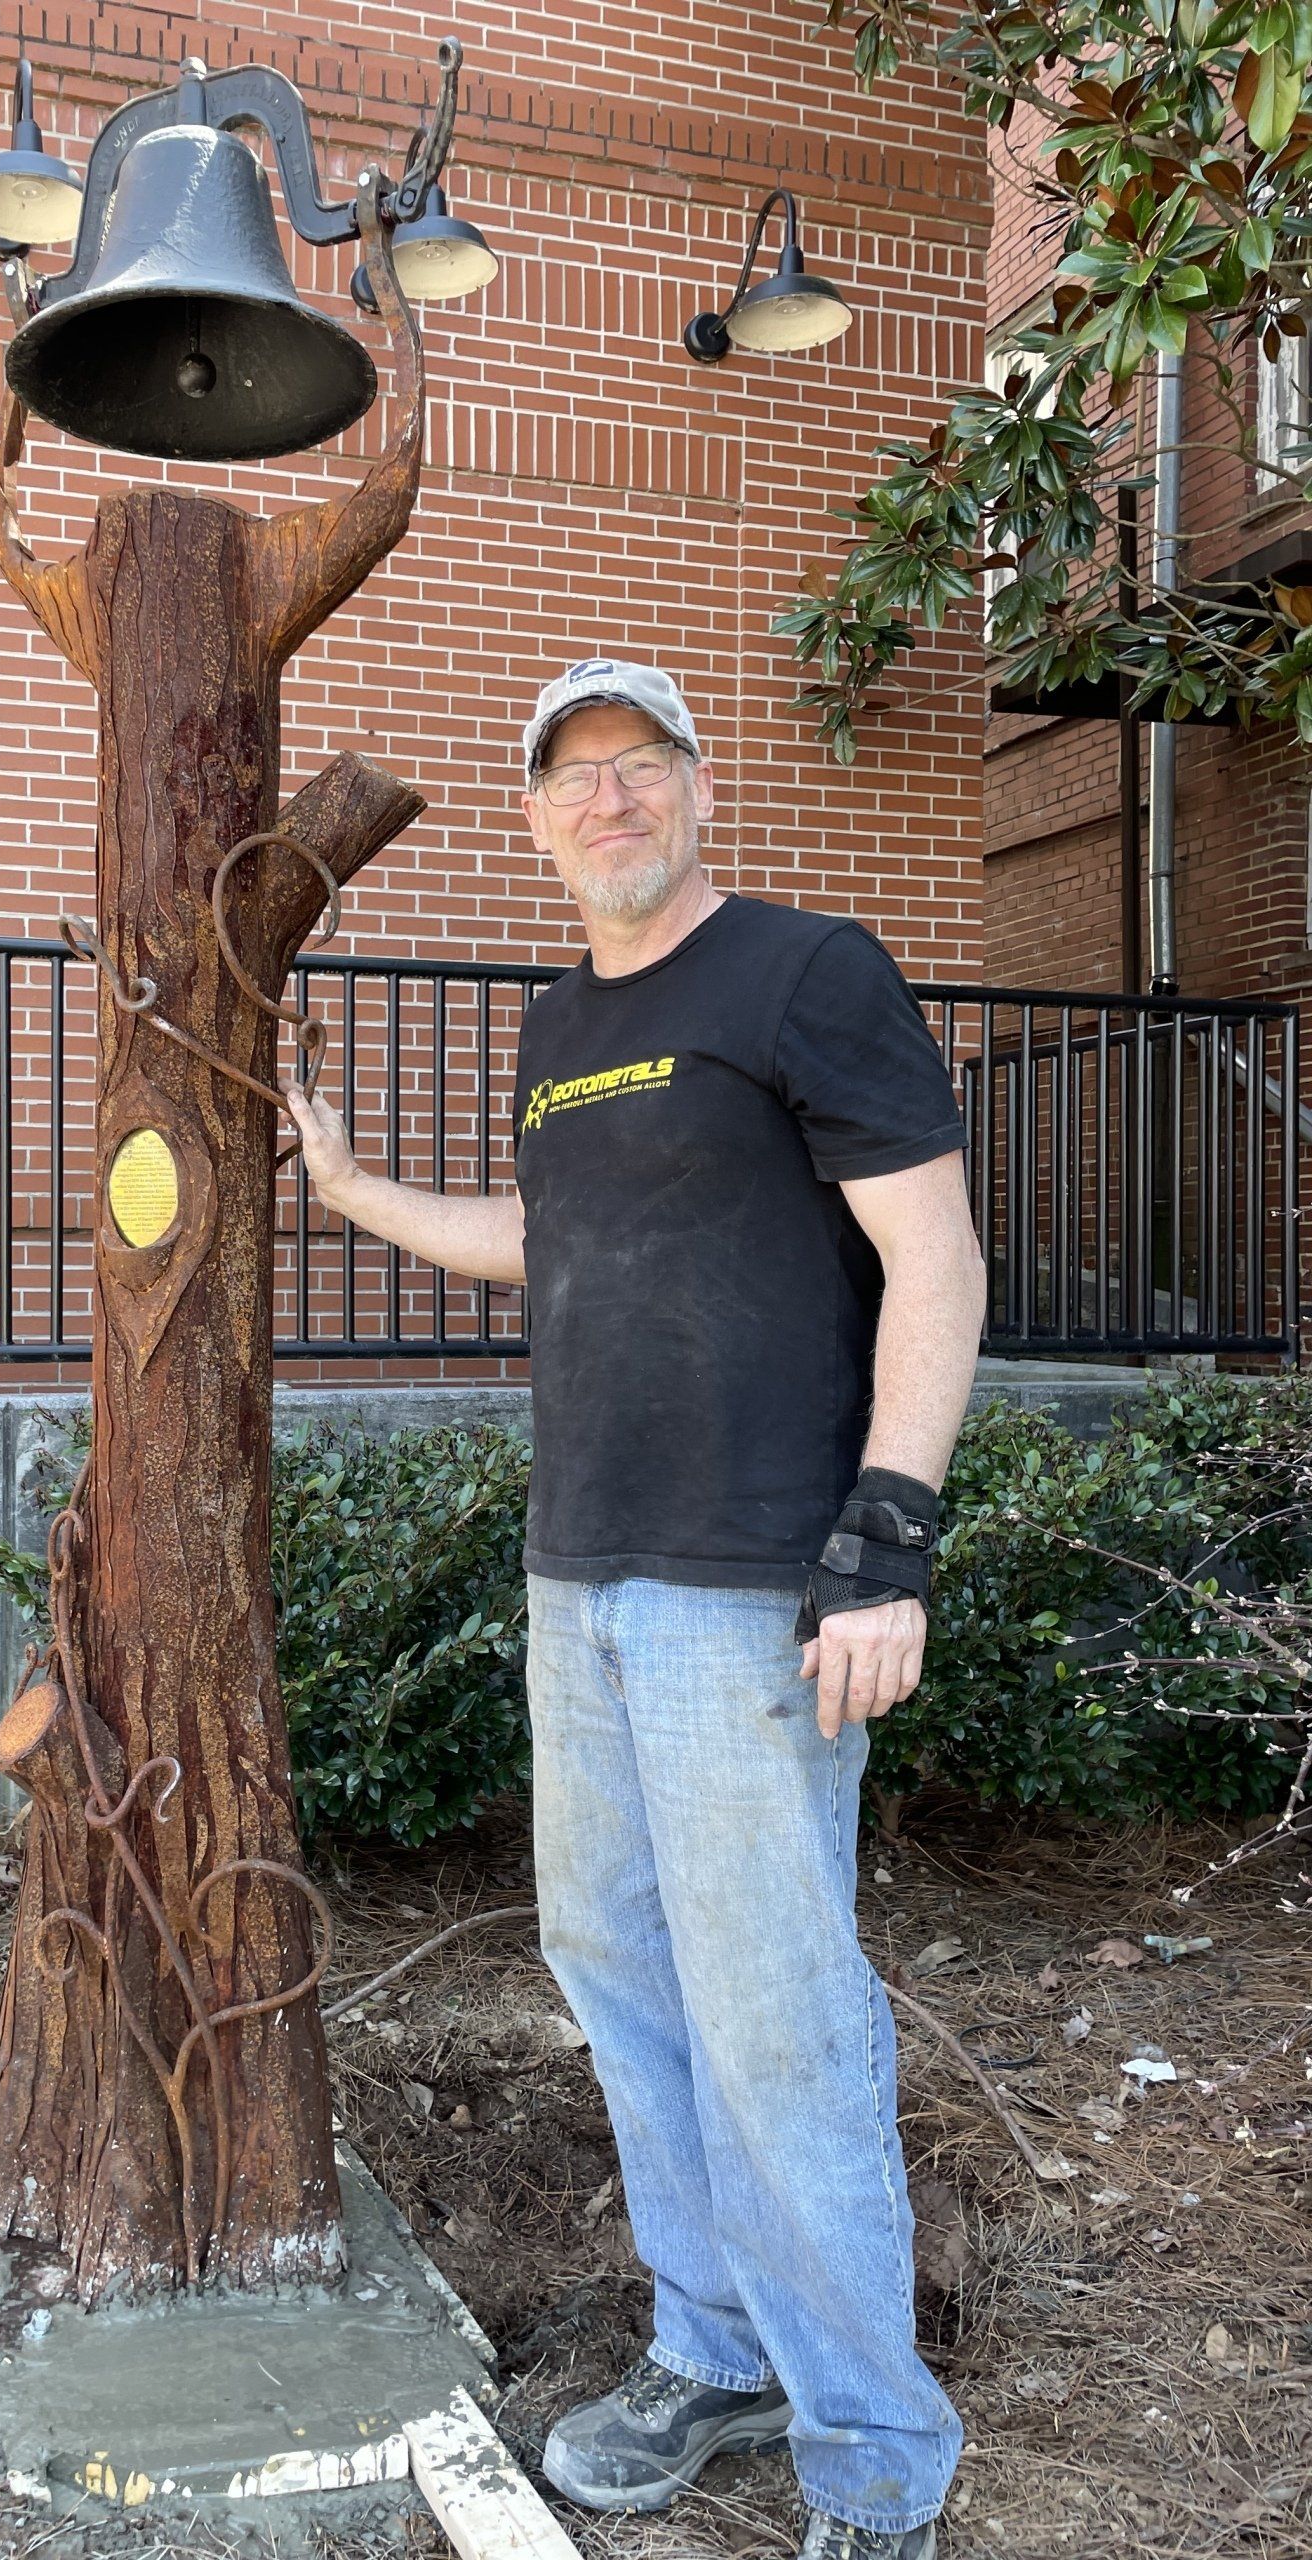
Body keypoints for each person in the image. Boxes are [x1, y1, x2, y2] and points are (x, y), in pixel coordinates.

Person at [285, 659, 986, 2560]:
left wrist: (888, 1543)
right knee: (624, 1983)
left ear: (696, 793)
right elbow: (557, 1239)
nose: (607, 800)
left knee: (776, 2016)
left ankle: (872, 2449)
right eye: (571, 776)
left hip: (751, 1586)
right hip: (579, 1576)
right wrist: (352, 1191)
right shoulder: (554, 1031)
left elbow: (934, 1248)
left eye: (638, 765)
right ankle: (718, 2348)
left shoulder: (804, 972)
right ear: (535, 821)